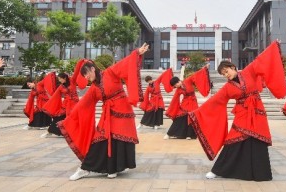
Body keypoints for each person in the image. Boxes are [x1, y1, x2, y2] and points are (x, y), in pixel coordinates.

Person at [188, 41, 286, 181]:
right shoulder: (227, 88)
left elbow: (262, 59)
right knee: (232, 140)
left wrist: (274, 46)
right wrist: (196, 113)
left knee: (258, 140)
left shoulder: (249, 71)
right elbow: (214, 101)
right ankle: (218, 170)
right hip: (242, 114)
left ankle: (260, 173)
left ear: (233, 67)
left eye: (226, 71)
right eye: (223, 74)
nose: (226, 75)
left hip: (257, 111)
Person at [58, 43, 149, 181]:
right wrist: (69, 119)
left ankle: (113, 169)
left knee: (119, 140)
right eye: (84, 76)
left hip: (123, 111)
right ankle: (85, 168)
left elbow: (125, 63)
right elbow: (83, 104)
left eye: (87, 74)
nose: (86, 78)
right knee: (99, 139)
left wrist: (137, 53)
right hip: (108, 115)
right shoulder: (94, 88)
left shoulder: (111, 72)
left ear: (93, 69)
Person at [164, 63, 211, 140]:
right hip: (185, 103)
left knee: (192, 116)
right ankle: (169, 133)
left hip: (193, 101)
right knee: (180, 116)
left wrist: (205, 68)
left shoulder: (188, 80)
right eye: (174, 86)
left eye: (175, 85)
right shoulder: (178, 90)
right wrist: (171, 110)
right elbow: (174, 100)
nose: (175, 87)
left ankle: (190, 135)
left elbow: (196, 75)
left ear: (178, 82)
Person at [40, 69, 81, 138]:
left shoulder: (72, 81)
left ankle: (75, 133)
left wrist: (81, 63)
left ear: (64, 78)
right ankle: (50, 131)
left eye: (60, 79)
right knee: (58, 117)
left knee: (75, 118)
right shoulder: (61, 86)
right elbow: (55, 96)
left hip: (74, 104)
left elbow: (76, 73)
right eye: (58, 79)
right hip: (66, 105)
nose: (59, 81)